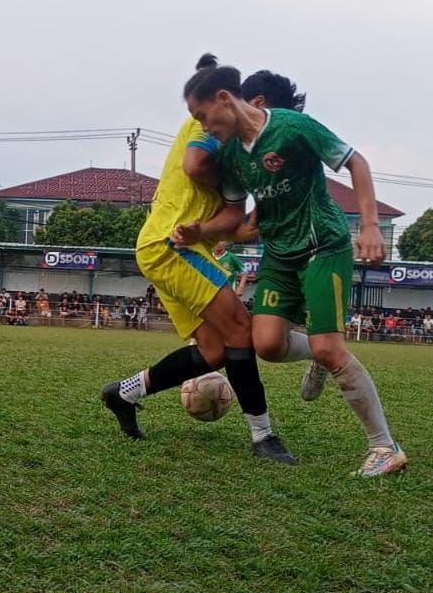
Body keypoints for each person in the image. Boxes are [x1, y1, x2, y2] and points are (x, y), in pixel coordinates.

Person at [177, 61, 406, 477]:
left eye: (202, 117)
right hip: (279, 255)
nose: (202, 128)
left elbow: (356, 163)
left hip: (324, 246)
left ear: (225, 99)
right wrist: (200, 231)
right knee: (265, 344)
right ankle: (319, 354)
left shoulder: (293, 127)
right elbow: (235, 216)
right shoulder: (231, 158)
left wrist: (371, 226)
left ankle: (384, 447)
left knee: (329, 346)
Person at [100, 54, 296, 466]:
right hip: (171, 242)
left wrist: (256, 216)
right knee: (241, 327)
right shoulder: (208, 124)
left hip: (178, 244)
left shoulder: (237, 148)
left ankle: (125, 392)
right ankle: (264, 438)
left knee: (213, 351)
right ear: (256, 103)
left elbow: (232, 224)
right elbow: (194, 165)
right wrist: (235, 176)